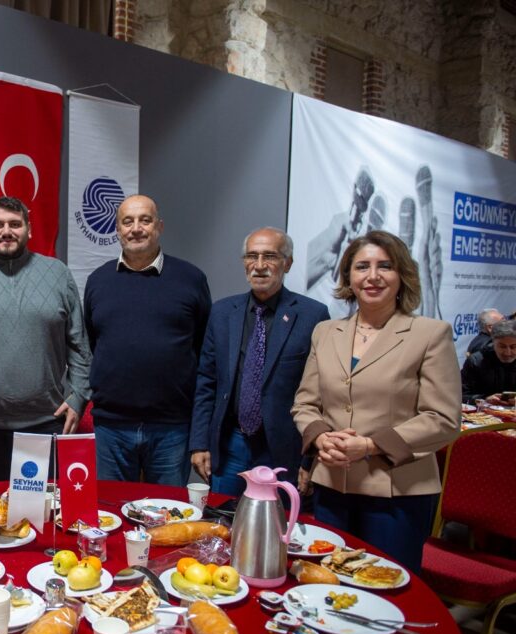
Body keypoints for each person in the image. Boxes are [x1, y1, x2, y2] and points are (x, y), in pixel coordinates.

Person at [291, 230, 461, 573]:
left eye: (385, 266)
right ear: (348, 276)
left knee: (386, 590)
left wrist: (369, 445)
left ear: (402, 275)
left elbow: (442, 419)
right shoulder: (326, 332)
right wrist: (322, 437)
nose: (372, 276)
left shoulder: (430, 334)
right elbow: (305, 404)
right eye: (361, 267)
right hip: (332, 485)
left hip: (397, 494)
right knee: (327, 584)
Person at [0, 196, 91, 482]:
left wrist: (79, 396)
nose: (6, 231)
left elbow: (80, 345)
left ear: (29, 229)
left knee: (42, 517)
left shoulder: (57, 273)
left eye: (14, 224)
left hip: (46, 424)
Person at [190, 228, 329, 496]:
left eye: (270, 256)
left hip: (282, 450)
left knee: (275, 532)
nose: (260, 265)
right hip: (230, 445)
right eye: (252, 256)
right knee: (222, 524)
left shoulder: (313, 316)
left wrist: (310, 458)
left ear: (287, 263)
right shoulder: (221, 312)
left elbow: (321, 393)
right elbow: (206, 382)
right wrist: (199, 443)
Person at [83, 194, 211, 486]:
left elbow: (203, 347)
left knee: (167, 516)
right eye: (127, 221)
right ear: (117, 229)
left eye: (145, 220)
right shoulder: (98, 281)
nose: (136, 228)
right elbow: (95, 342)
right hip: (111, 427)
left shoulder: (191, 279)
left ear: (160, 226)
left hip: (172, 427)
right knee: (110, 512)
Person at [461, 319, 516, 404]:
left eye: (513, 347)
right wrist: (483, 399)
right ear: (493, 342)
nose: (507, 352)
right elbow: (461, 395)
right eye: (502, 346)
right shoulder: (476, 361)